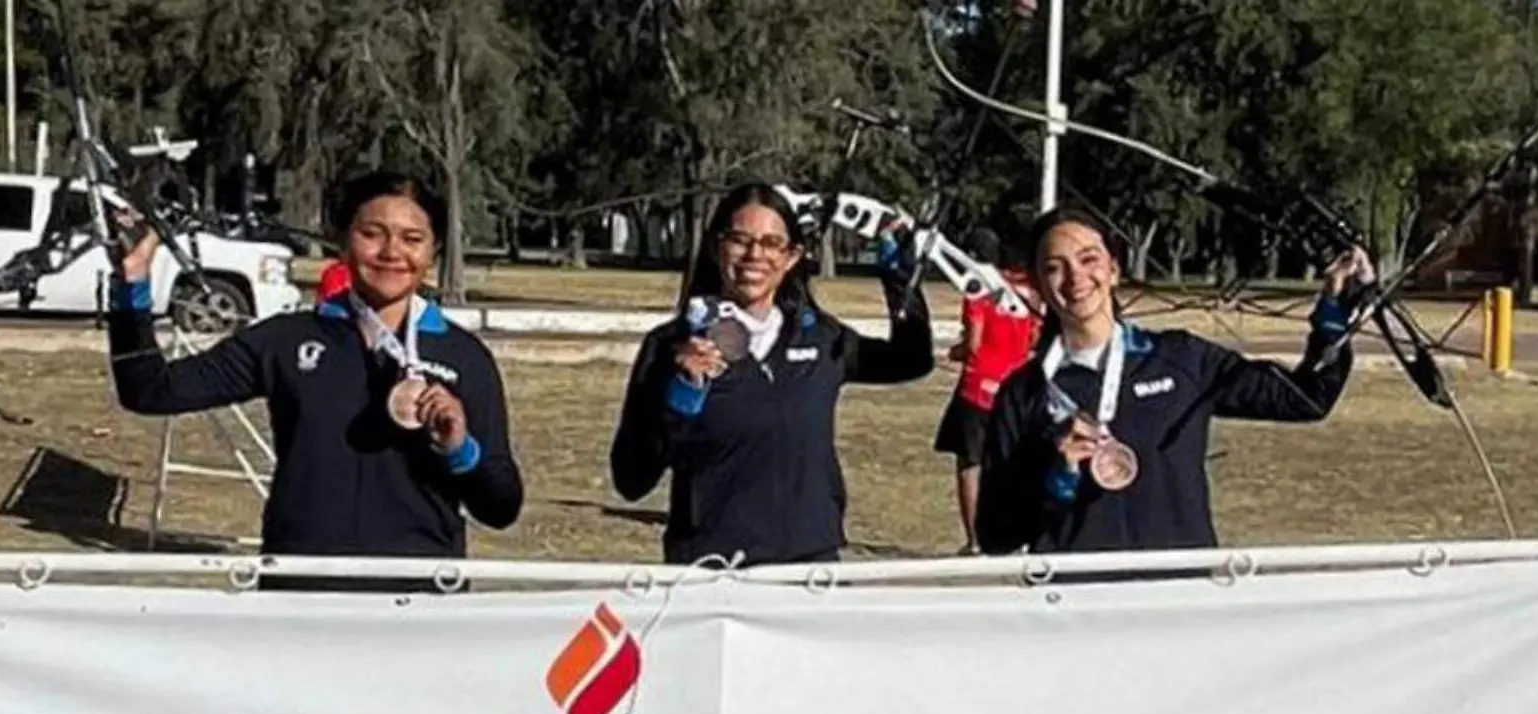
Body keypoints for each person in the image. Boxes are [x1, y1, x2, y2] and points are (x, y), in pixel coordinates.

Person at [104, 171, 523, 591]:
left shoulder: (464, 356)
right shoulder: (285, 340)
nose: (392, 252)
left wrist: (460, 449)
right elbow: (149, 390)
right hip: (301, 593)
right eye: (372, 234)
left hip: (421, 598)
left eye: (412, 239)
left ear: (433, 252)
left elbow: (501, 508)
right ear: (343, 240)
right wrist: (132, 281)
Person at [974, 206, 1371, 559]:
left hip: (1180, 602)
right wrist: (1055, 480)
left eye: (1088, 259)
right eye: (1054, 267)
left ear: (1113, 270)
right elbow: (994, 536)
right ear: (1039, 286)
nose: (1075, 277)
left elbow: (1305, 399)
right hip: (1080, 611)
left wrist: (1335, 310)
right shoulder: (1023, 393)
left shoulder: (1181, 358)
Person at [608, 182, 934, 566]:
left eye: (771, 243)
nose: (754, 255)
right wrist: (679, 397)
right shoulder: (671, 346)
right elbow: (631, 480)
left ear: (792, 256)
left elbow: (911, 359)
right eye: (740, 240)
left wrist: (901, 279)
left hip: (809, 570)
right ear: (717, 247)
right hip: (711, 572)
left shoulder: (821, 337)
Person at [933, 227, 1041, 555]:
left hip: (979, 388)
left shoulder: (978, 291)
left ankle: (976, 540)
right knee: (1015, 463)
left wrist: (953, 353)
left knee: (971, 464)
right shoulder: (1028, 292)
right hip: (1016, 389)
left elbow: (975, 343)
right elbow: (1034, 339)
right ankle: (1019, 537)